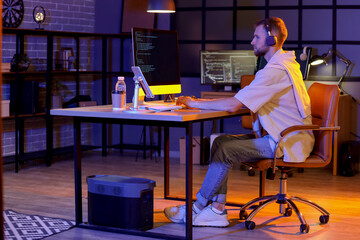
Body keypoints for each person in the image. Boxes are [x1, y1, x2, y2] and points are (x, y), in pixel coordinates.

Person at [164, 17, 315, 227]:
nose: (252, 42)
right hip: (283, 135)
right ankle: (217, 210)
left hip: (284, 141)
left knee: (226, 150)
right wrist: (201, 102)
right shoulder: (285, 64)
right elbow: (243, 101)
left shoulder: (276, 71)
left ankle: (197, 207)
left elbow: (235, 105)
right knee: (220, 142)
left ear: (271, 40)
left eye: (256, 37)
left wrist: (192, 102)